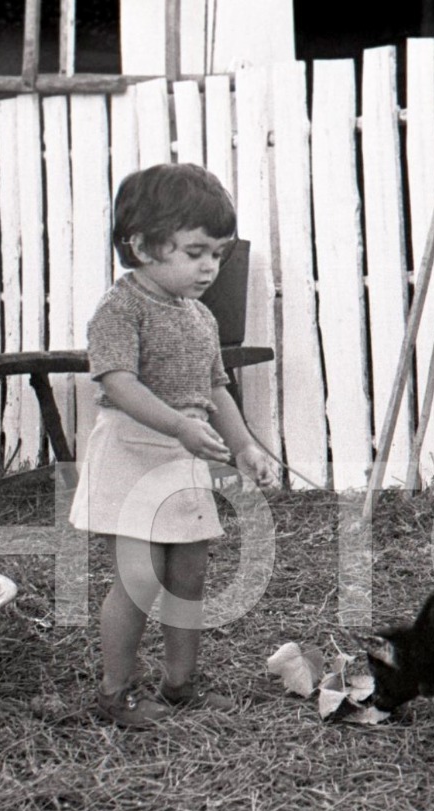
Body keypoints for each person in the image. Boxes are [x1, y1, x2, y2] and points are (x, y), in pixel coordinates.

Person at [70, 163, 280, 728]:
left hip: (183, 457)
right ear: (141, 246)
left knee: (189, 573)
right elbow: (117, 382)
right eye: (194, 252)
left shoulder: (201, 317)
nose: (209, 266)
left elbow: (215, 388)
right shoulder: (120, 309)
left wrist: (244, 447)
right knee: (140, 577)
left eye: (218, 253)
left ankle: (180, 683)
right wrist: (179, 426)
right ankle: (115, 691)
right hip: (134, 450)